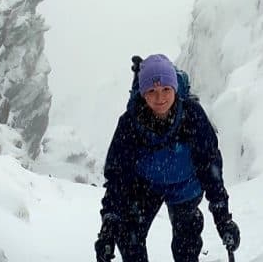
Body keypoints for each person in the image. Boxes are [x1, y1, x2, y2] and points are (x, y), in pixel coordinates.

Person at [94, 54, 240, 262]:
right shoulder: (131, 123)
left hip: (186, 186)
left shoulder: (192, 116)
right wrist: (109, 227)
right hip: (145, 187)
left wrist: (223, 219)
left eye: (166, 90)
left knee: (186, 247)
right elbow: (118, 176)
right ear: (143, 93)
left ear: (175, 89)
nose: (159, 98)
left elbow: (210, 167)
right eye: (151, 91)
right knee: (129, 237)